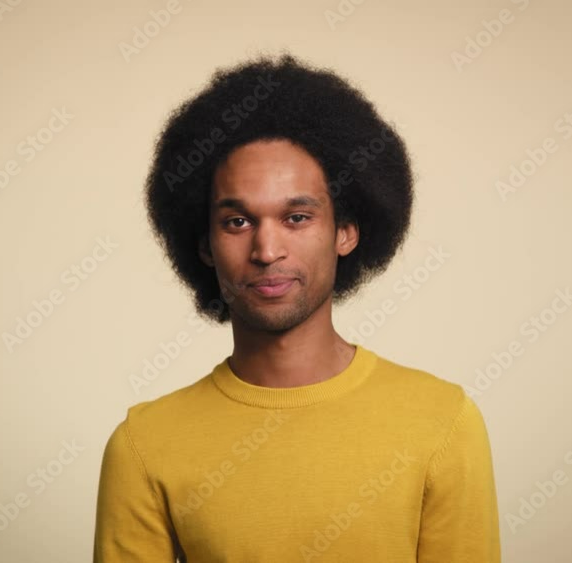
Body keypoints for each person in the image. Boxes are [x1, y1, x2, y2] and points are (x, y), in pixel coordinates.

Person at [94, 51, 501, 562]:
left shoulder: (443, 422)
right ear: (203, 244)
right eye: (237, 222)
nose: (267, 251)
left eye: (297, 217)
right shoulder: (145, 445)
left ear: (347, 232)